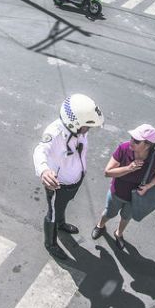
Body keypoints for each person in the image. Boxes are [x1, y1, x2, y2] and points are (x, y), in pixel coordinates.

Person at [33, 94, 104, 260]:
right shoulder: (55, 133)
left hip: (75, 179)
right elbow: (40, 150)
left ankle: (61, 223)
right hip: (58, 184)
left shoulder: (78, 130)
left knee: (62, 205)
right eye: (87, 126)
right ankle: (50, 244)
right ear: (75, 123)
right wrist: (44, 170)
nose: (89, 130)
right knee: (52, 211)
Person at [91, 124, 155, 250]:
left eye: (136, 141)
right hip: (117, 193)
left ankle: (118, 233)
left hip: (136, 198)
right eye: (132, 137)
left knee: (126, 217)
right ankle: (100, 226)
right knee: (109, 213)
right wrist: (128, 168)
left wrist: (148, 186)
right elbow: (107, 172)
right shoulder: (124, 148)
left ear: (147, 145)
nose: (131, 141)